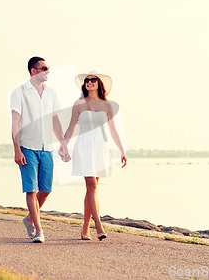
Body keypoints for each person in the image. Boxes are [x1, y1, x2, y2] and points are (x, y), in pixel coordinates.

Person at [9, 56, 70, 243]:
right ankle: (38, 230)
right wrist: (17, 149)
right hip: (27, 146)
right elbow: (15, 122)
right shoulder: (19, 92)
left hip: (46, 148)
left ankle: (29, 219)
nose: (48, 71)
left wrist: (63, 143)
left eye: (48, 67)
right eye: (44, 68)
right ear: (34, 71)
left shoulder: (51, 93)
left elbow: (55, 120)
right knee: (31, 190)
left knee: (46, 190)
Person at [64, 72, 127, 241]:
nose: (89, 82)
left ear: (99, 84)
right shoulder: (78, 104)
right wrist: (64, 145)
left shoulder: (107, 105)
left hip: (100, 146)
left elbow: (113, 130)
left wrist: (122, 150)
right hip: (84, 145)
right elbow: (70, 127)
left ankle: (85, 229)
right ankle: (98, 225)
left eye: (93, 80)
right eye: (87, 80)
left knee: (92, 188)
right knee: (91, 184)